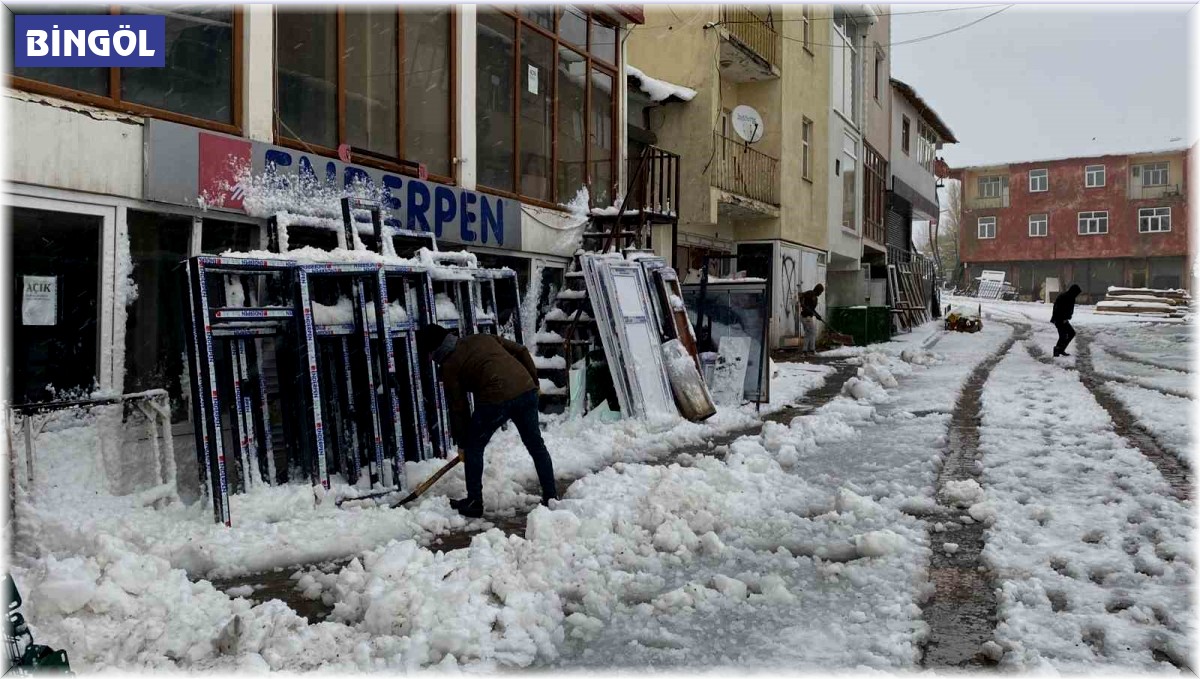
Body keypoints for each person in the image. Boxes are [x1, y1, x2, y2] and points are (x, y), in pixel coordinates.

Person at [416, 324, 558, 518]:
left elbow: (459, 408)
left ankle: (474, 501)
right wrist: (534, 383)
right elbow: (522, 350)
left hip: (496, 397)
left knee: (474, 446)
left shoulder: (449, 365)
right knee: (536, 444)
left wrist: (463, 443)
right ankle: (551, 497)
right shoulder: (481, 337)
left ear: (434, 350)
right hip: (526, 389)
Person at [1051, 283, 1081, 357]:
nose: (1077, 295)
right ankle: (1057, 351)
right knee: (1063, 335)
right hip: (1059, 319)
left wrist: (1067, 317)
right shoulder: (1065, 297)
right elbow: (1058, 308)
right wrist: (1062, 318)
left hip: (1063, 319)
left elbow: (1069, 309)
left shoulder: (1071, 297)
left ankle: (1060, 349)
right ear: (1074, 291)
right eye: (1077, 293)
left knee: (1070, 333)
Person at [798, 284, 825, 355]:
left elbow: (812, 309)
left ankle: (805, 350)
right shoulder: (811, 294)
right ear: (818, 290)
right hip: (806, 317)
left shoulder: (813, 296)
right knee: (812, 332)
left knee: (808, 333)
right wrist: (803, 304)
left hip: (805, 317)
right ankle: (811, 350)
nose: (820, 293)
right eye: (821, 292)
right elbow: (800, 295)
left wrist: (817, 315)